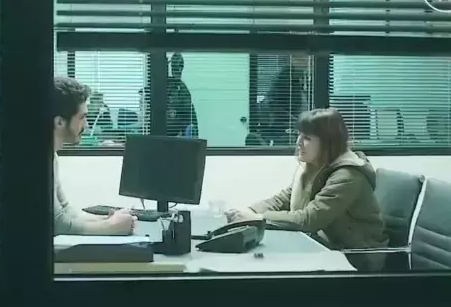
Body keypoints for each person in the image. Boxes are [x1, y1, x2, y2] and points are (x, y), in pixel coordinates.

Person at [225, 108, 389, 271]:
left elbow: (309, 219)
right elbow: (283, 199)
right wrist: (248, 211)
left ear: (328, 143)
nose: (299, 142)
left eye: (307, 138)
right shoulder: (314, 167)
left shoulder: (348, 175)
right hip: (329, 247)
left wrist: (258, 218)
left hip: (358, 256)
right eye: (300, 135)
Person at [53, 76, 137, 235]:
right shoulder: (34, 161)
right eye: (82, 117)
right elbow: (57, 224)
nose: (87, 125)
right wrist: (111, 227)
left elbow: (65, 211)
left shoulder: (51, 156)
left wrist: (107, 220)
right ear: (59, 122)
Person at [258, 53, 310, 146]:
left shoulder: (303, 76)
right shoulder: (284, 77)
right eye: (302, 60)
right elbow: (272, 104)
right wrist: (293, 121)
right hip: (284, 129)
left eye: (307, 60)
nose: (306, 64)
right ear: (293, 60)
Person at [167, 53, 199, 138]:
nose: (177, 69)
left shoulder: (183, 90)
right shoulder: (164, 85)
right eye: (174, 65)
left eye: (179, 66)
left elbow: (190, 117)